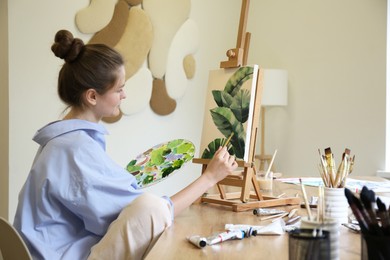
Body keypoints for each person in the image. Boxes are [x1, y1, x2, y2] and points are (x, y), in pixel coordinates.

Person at [13, 29, 238, 260]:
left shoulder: (64, 141)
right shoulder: (75, 148)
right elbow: (155, 211)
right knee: (152, 208)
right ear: (92, 96)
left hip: (51, 251)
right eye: (119, 89)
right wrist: (209, 178)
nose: (124, 96)